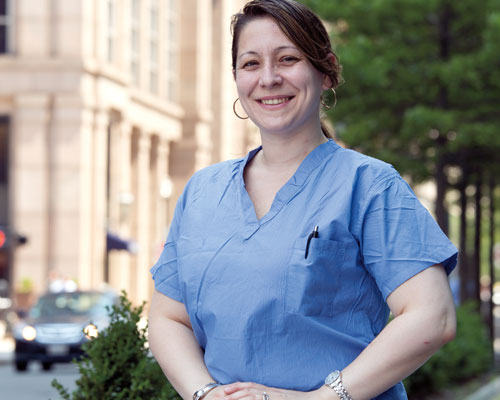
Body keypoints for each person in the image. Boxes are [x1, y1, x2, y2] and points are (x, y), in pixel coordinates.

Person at [148, 1, 458, 399]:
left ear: (326, 70)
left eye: (288, 58)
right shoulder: (203, 191)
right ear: (237, 78)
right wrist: (205, 394)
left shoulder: (368, 185)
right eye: (251, 64)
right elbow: (169, 318)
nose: (269, 78)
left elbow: (432, 316)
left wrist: (320, 399)